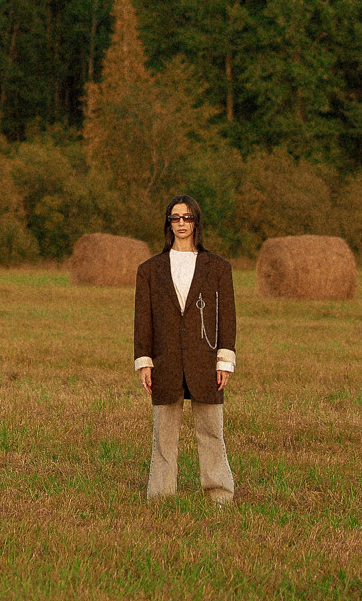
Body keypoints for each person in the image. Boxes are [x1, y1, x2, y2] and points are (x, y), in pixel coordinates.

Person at [132, 193, 237, 504]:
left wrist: (224, 360)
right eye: (175, 218)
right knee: (163, 437)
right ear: (169, 223)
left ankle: (219, 495)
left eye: (187, 217)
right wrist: (144, 360)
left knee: (212, 432)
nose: (181, 223)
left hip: (205, 360)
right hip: (165, 361)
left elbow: (227, 317)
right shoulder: (149, 269)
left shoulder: (218, 267)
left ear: (196, 222)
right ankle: (160, 497)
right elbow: (143, 318)